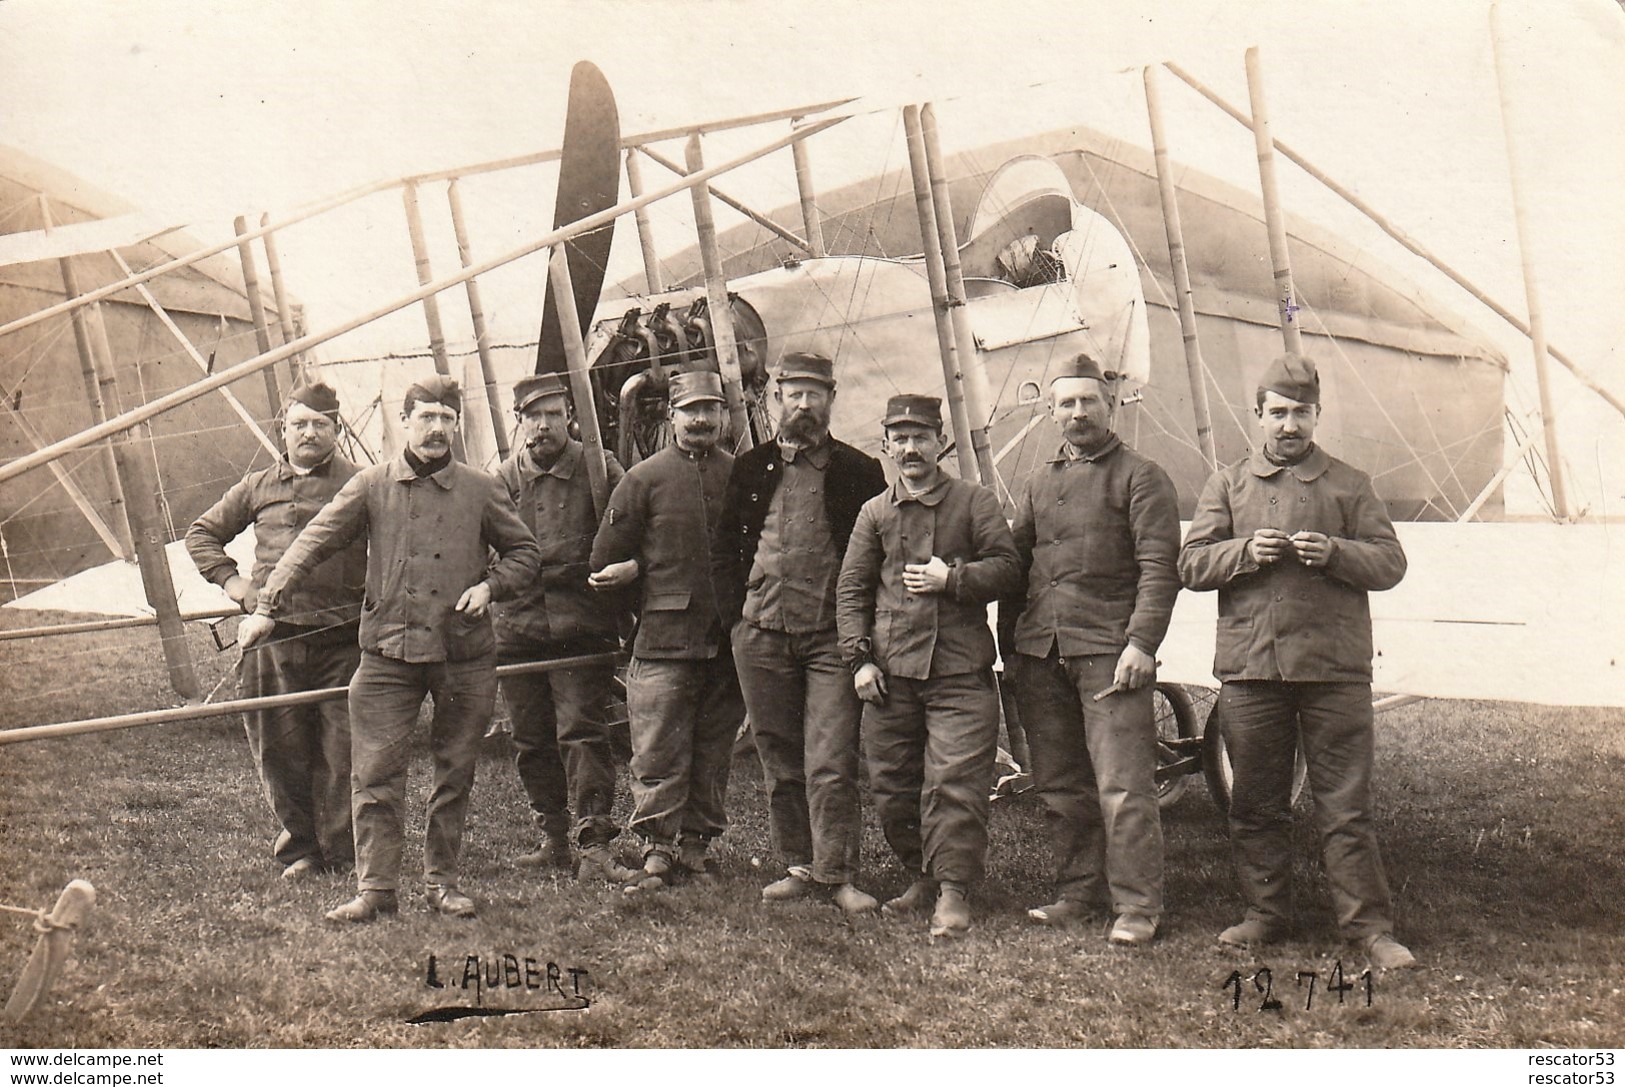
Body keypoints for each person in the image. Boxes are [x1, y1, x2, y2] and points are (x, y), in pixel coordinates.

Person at [238, 375, 540, 923]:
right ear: (405, 422)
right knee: (373, 772)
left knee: (454, 772)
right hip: (384, 657)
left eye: (448, 419)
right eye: (426, 417)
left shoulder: (481, 488)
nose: (438, 429)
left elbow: (524, 552)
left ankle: (441, 884)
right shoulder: (372, 484)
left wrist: (490, 586)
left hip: (463, 657)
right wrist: (266, 606)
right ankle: (375, 888)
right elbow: (314, 541)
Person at [1178, 352, 1415, 970]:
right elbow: (1190, 563)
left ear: (1317, 415)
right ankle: (1265, 915)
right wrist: (1242, 552)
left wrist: (1336, 551)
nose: (1289, 425)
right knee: (1256, 801)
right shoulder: (1226, 484)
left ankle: (1368, 929)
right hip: (1252, 671)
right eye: (1277, 413)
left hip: (1334, 671)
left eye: (1301, 413)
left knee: (1344, 802)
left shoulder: (1349, 484)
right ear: (1257, 416)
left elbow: (1390, 563)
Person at [1001, 353, 1181, 947]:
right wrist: (1009, 646)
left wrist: (1141, 644)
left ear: (1111, 405)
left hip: (1110, 652)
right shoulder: (1038, 480)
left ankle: (1136, 906)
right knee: (1059, 781)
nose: (1078, 413)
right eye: (1066, 403)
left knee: (1123, 784)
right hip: (1040, 653)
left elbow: (1160, 569)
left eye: (1088, 401)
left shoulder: (1142, 476)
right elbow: (1015, 566)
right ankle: (1078, 892)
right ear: (1052, 413)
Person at [836, 394, 1019, 938]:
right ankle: (921, 875)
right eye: (900, 438)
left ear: (940, 441)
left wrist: (955, 580)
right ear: (885, 443)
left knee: (954, 783)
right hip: (892, 676)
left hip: (960, 673)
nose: (911, 448)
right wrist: (860, 661)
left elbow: (1010, 569)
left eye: (921, 437)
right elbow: (851, 590)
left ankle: (954, 891)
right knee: (893, 786)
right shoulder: (874, 512)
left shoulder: (974, 501)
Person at [713, 352, 888, 914]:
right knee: (779, 754)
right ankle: (797, 864)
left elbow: (876, 560)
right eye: (794, 394)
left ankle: (837, 874)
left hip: (830, 640)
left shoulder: (860, 472)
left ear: (831, 400)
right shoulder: (750, 468)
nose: (805, 405)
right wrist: (736, 622)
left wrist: (861, 636)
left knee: (831, 758)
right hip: (761, 632)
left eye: (816, 394)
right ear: (776, 399)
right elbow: (724, 552)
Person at [185, 380, 366, 881]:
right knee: (279, 747)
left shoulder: (364, 482)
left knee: (342, 747)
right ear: (283, 428)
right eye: (299, 424)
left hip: (342, 637)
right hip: (272, 638)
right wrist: (235, 584)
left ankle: (343, 852)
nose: (309, 433)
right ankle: (302, 851)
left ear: (337, 429)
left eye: (321, 425)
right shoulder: (256, 485)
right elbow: (201, 533)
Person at [589, 370, 744, 890]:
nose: (700, 420)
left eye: (710, 409)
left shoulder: (742, 476)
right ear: (672, 416)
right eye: (690, 410)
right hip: (660, 640)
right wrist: (643, 582)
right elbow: (604, 563)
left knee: (713, 746)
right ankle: (657, 849)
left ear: (723, 415)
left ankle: (696, 848)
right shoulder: (643, 479)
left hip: (725, 641)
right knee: (656, 749)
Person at [494, 373, 635, 883]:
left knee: (582, 731)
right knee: (530, 737)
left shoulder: (600, 469)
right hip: (517, 629)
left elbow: (631, 531)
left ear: (570, 416)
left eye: (554, 413)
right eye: (534, 416)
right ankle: (552, 835)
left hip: (582, 623)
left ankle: (594, 841)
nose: (544, 425)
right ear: (520, 422)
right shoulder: (504, 480)